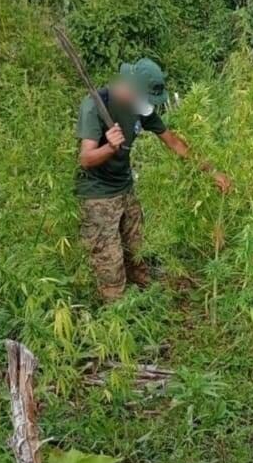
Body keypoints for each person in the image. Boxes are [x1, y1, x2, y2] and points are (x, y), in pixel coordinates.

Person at [75, 58, 231, 302]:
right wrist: (109, 148)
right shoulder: (96, 105)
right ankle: (117, 318)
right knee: (110, 264)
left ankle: (147, 303)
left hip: (125, 188)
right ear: (133, 87)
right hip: (98, 194)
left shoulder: (140, 107)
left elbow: (175, 143)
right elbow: (85, 158)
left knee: (137, 253)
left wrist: (211, 171)